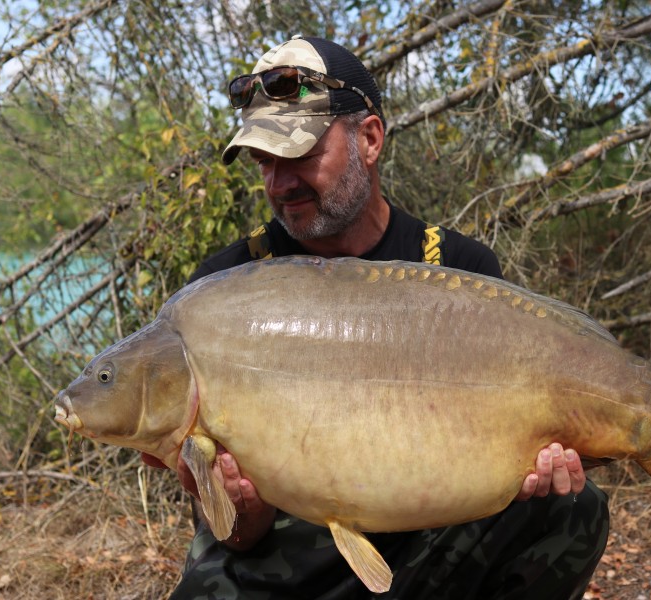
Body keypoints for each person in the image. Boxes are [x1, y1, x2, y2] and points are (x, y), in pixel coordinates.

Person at [145, 35, 609, 599]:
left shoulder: (457, 268)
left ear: (369, 139)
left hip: (427, 536)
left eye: (299, 154)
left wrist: (544, 466)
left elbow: (519, 458)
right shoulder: (226, 286)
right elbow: (238, 537)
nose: (280, 183)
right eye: (265, 161)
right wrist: (241, 507)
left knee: (571, 509)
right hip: (291, 557)